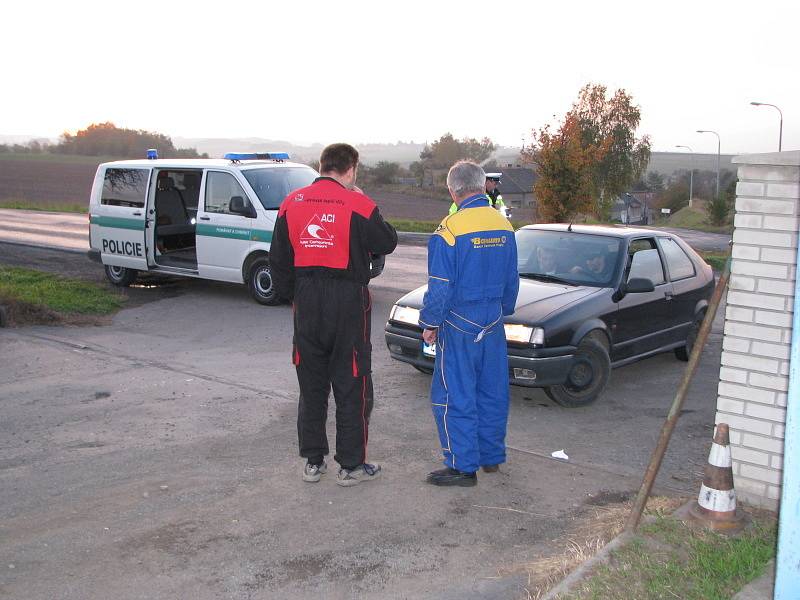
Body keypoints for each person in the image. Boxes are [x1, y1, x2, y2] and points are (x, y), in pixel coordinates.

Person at [270, 143, 398, 486]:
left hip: (307, 301)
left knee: (311, 384)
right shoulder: (357, 202)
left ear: (322, 166)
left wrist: (295, 298)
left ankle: (313, 462)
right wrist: (365, 199)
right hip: (347, 302)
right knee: (351, 382)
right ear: (351, 169)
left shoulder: (290, 203)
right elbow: (387, 241)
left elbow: (278, 262)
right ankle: (351, 465)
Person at [420, 161, 519, 486]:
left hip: (459, 322)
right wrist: (502, 310)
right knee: (492, 391)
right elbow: (511, 280)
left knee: (454, 394)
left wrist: (430, 323)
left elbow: (440, 287)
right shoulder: (504, 225)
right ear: (482, 185)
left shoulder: (449, 230)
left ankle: (463, 467)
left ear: (453, 190)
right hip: (492, 321)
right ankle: (490, 457)